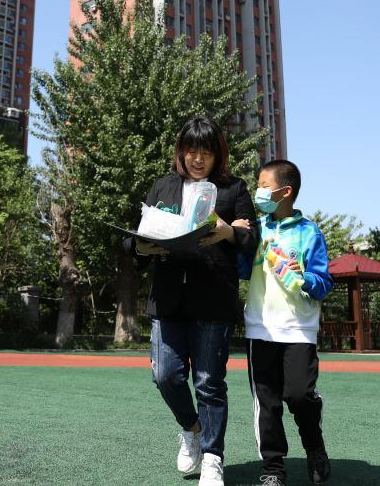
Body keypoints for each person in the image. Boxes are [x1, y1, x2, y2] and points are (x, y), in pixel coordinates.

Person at [130, 116, 258, 486]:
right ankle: (192, 428)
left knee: (209, 382)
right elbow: (137, 237)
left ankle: (213, 458)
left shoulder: (233, 189)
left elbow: (252, 240)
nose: (198, 159)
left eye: (206, 152)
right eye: (191, 151)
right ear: (181, 152)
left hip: (213, 298)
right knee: (165, 376)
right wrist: (140, 247)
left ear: (218, 154)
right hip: (168, 299)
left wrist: (228, 231)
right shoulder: (163, 186)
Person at [232, 159, 333, 485]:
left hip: (298, 329)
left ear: (285, 191)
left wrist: (303, 277)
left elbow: (323, 283)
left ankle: (314, 446)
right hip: (259, 327)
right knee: (267, 403)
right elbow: (242, 270)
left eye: (264, 186)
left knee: (299, 396)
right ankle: (273, 469)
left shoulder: (309, 232)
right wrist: (239, 240)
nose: (258, 192)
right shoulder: (257, 229)